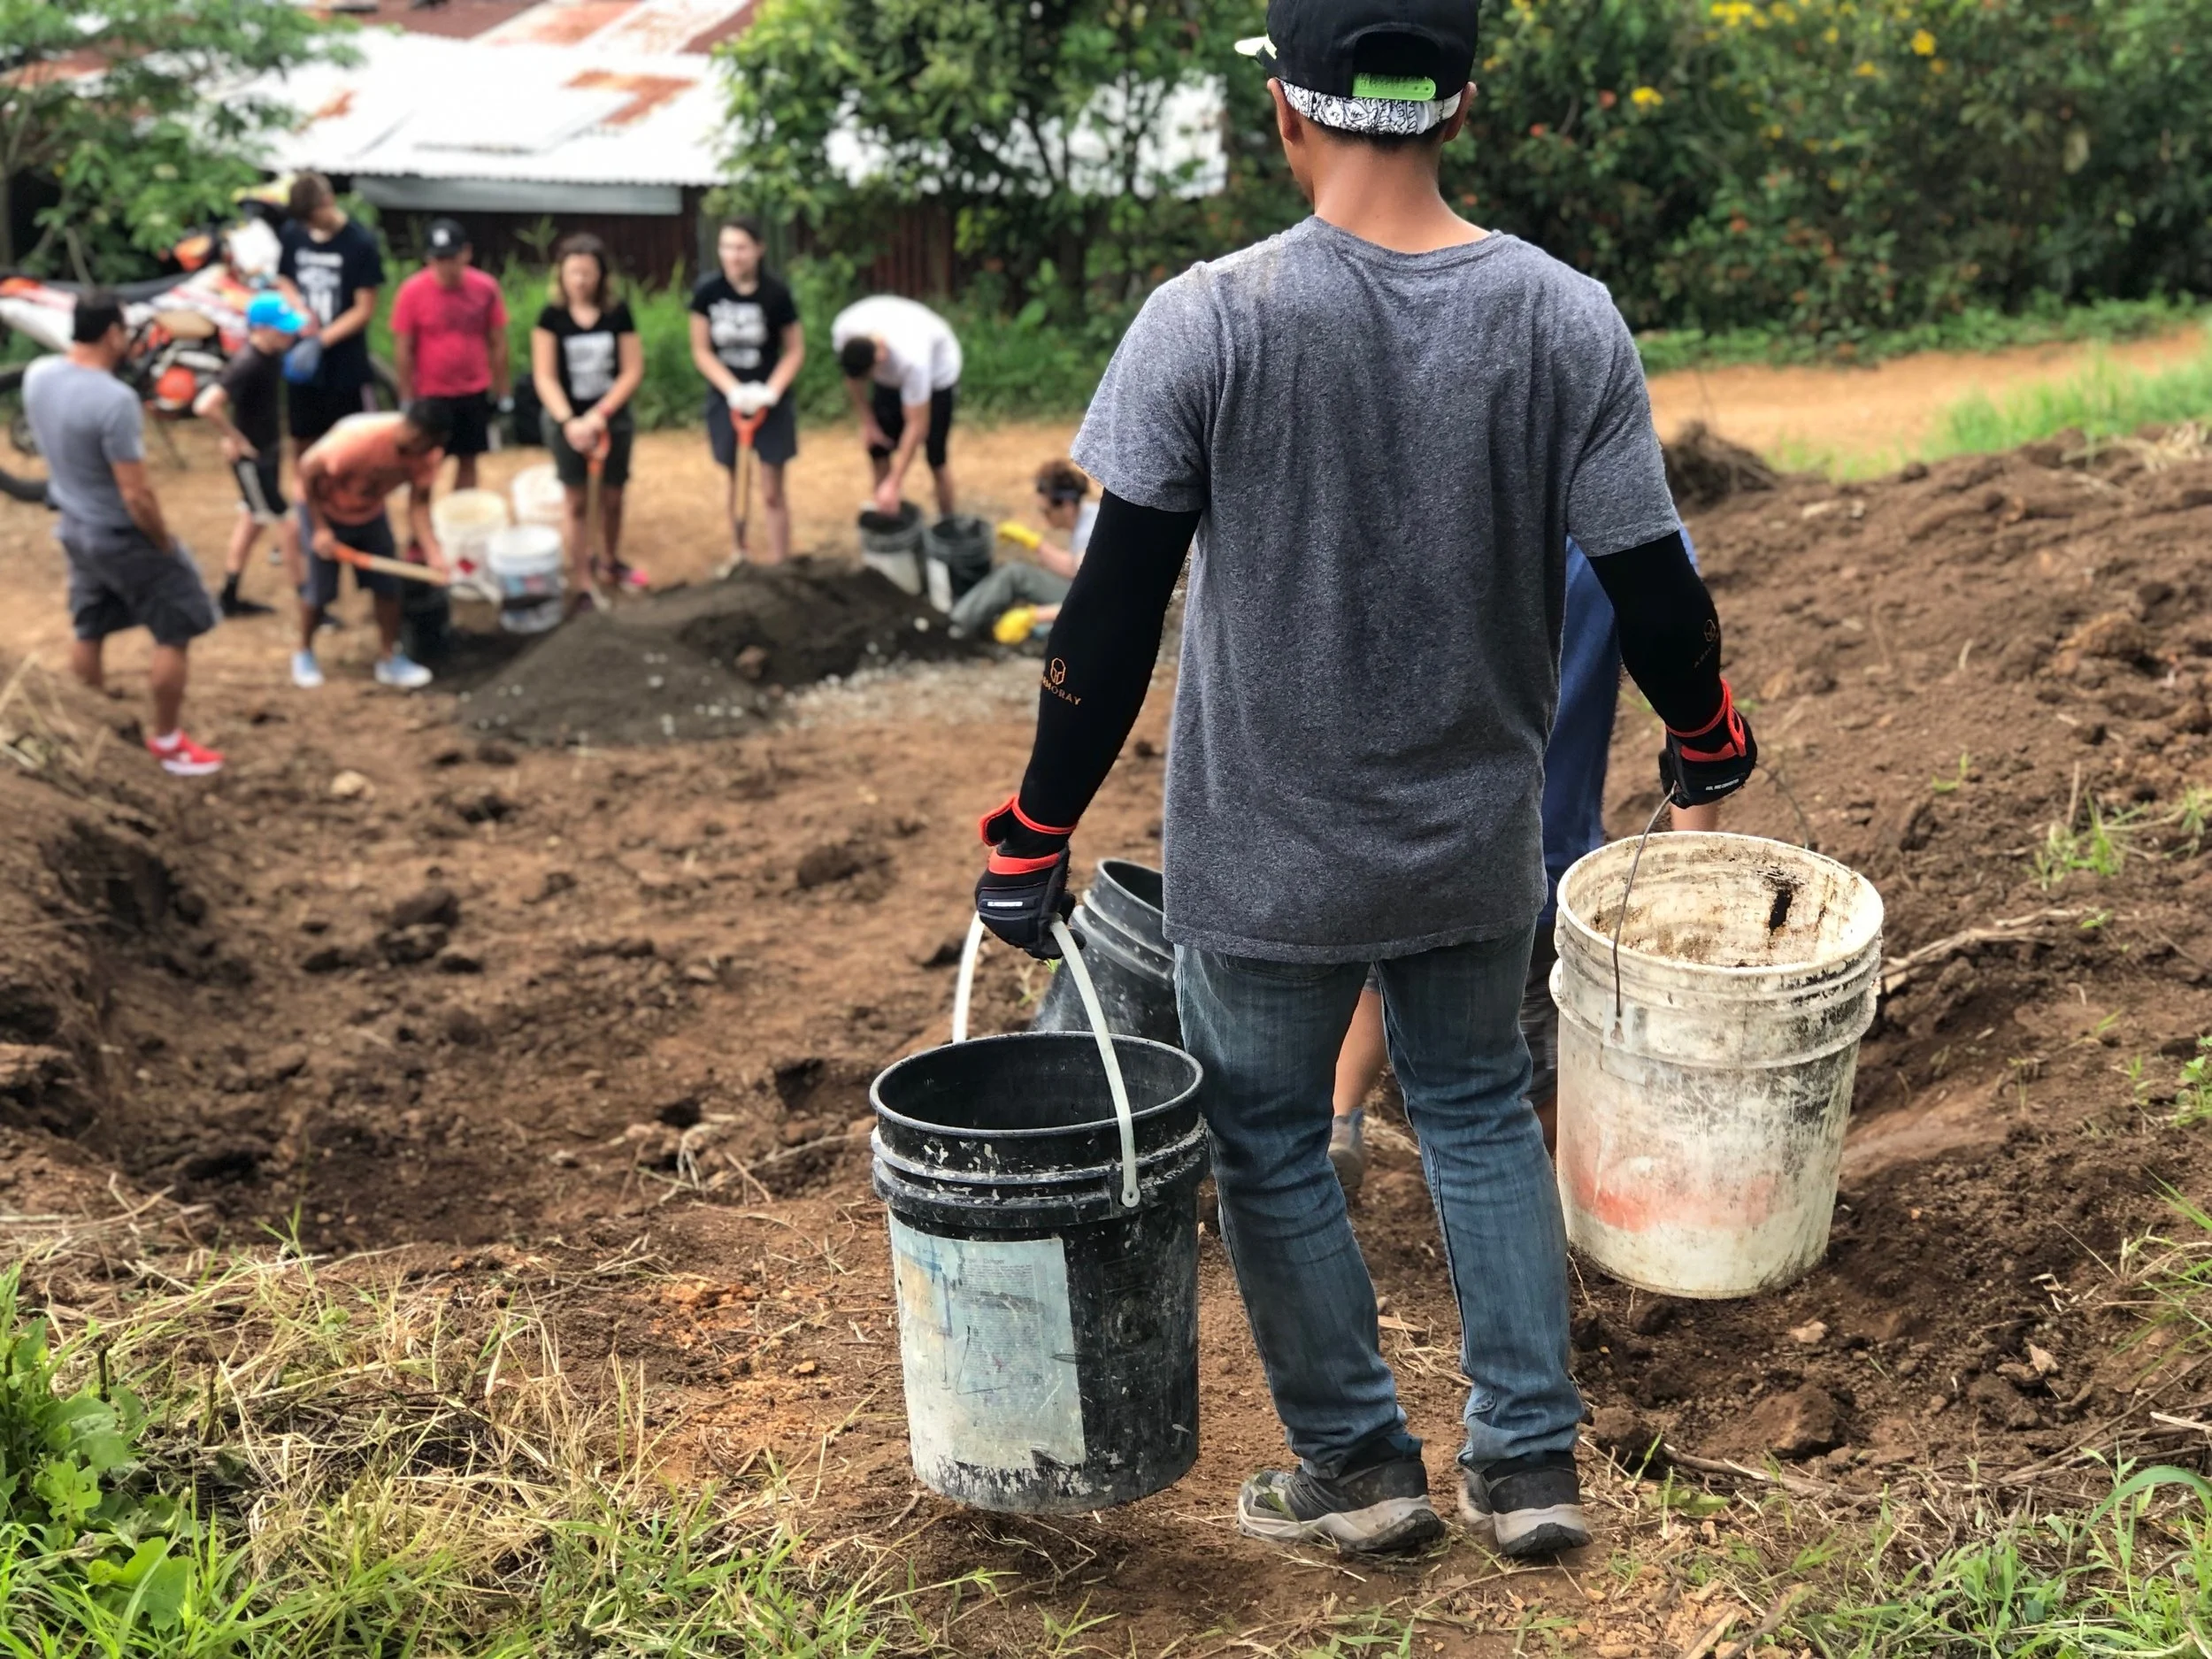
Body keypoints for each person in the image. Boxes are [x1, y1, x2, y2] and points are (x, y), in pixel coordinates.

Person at [970, 0, 1755, 1564]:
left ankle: (1359, 1470)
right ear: (1460, 106)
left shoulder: (1210, 319)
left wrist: (1035, 823)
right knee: (1473, 1109)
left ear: (1285, 110)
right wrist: (1708, 736)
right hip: (1473, 838)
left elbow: (1106, 619)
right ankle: (1529, 1468)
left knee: (1265, 1138)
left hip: (1265, 854)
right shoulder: (1563, 318)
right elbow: (1653, 583)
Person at [1328, 538, 1723, 1195]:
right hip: (1532, 857)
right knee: (1536, 1064)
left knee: (1373, 974)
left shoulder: (1444, 490)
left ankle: (1339, 1121)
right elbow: (1690, 707)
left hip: (1390, 833)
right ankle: (1531, 1187)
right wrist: (1690, 870)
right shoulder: (1625, 536)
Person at [22, 290, 222, 776]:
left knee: (89, 625)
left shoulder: (39, 375)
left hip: (74, 526)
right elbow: (136, 494)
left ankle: (93, 730)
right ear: (113, 333)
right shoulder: (115, 401)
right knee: (176, 627)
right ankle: (169, 742)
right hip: (118, 533)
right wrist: (163, 541)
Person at [292, 402, 451, 691]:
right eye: (421, 444)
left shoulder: (428, 455)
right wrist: (320, 529)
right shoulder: (358, 439)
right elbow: (307, 472)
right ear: (412, 431)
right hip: (323, 509)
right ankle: (304, 653)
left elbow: (418, 505)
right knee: (320, 590)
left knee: (388, 586)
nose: (424, 454)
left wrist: (434, 554)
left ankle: (389, 657)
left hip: (369, 512)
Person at [531, 234, 645, 598]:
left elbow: (631, 370)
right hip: (567, 421)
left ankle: (610, 561)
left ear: (601, 275)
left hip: (611, 419)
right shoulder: (550, 318)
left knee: (612, 496)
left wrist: (601, 414)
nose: (580, 280)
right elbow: (544, 376)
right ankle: (582, 576)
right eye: (573, 273)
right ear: (561, 276)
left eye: (588, 272)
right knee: (576, 501)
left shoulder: (618, 313)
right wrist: (569, 422)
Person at [688, 216, 804, 565]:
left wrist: (771, 391)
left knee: (772, 489)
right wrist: (733, 390)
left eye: (741, 247)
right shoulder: (708, 292)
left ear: (758, 250)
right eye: (726, 247)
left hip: (772, 402)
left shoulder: (776, 293)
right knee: (735, 482)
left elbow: (795, 350)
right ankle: (741, 556)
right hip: (727, 401)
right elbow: (701, 349)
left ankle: (781, 562)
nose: (733, 255)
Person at [192, 292, 309, 619]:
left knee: (253, 520)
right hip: (253, 461)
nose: (290, 334)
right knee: (286, 524)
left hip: (267, 453)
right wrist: (236, 439)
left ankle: (229, 595)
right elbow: (205, 405)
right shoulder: (248, 363)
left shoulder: (271, 355)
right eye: (283, 329)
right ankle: (308, 599)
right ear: (261, 329)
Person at [390, 217, 510, 493]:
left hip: (473, 388)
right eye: (438, 259)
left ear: (466, 253)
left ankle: (461, 519)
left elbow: (498, 342)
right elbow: (404, 348)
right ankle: (423, 523)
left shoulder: (486, 288)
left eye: (452, 258)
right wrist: (407, 397)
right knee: (425, 462)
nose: (446, 266)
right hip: (431, 392)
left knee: (468, 460)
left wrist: (503, 392)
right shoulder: (412, 292)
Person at [276, 173, 386, 449]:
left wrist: (321, 340)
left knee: (348, 442)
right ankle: (306, 493)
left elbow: (364, 309)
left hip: (344, 362)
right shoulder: (293, 233)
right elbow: (284, 279)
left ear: (328, 201)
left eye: (312, 217)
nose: (308, 225)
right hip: (302, 360)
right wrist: (299, 309)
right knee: (302, 438)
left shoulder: (360, 242)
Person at [831, 295, 961, 518]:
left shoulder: (912, 358)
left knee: (935, 456)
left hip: (939, 376)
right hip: (892, 368)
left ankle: (947, 522)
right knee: (878, 445)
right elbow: (853, 379)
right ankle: (888, 512)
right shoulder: (844, 330)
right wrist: (868, 423)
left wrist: (896, 481)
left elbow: (917, 425)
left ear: (880, 359)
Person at [948, 460, 1096, 640]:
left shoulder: (1087, 535)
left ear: (1066, 506)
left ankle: (955, 627)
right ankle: (960, 621)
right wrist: (1033, 543)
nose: (1044, 518)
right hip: (1092, 599)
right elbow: (1076, 569)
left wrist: (1032, 616)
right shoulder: (1088, 515)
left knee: (1015, 574)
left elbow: (1092, 602)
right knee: (1017, 573)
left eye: (1047, 512)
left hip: (1100, 615)